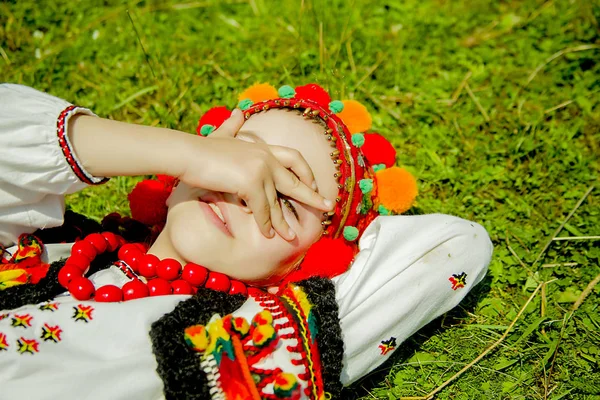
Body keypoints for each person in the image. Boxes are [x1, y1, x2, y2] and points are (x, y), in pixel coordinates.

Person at [0, 82, 493, 400]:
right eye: (237, 158)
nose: (242, 188)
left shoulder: (242, 347)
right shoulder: (47, 242)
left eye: (287, 199)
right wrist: (183, 151)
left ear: (300, 266)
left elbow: (459, 244)